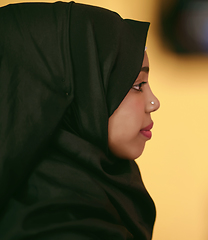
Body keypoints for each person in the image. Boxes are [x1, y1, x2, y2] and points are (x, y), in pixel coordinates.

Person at [0, 1, 160, 239]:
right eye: (137, 85)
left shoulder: (103, 188)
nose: (154, 103)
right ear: (81, 91)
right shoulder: (58, 225)